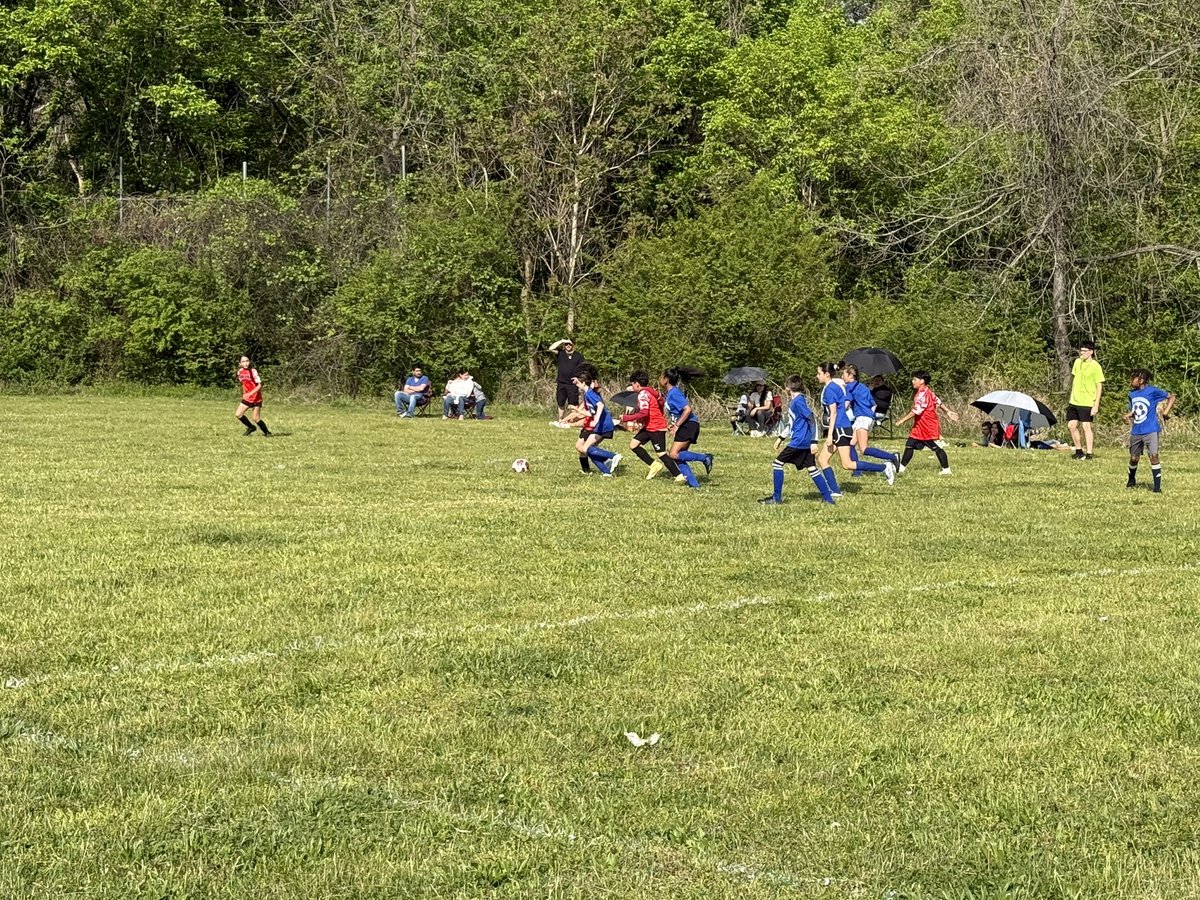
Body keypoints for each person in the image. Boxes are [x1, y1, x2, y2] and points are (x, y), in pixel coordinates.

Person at [815, 361, 894, 497]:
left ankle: (884, 467)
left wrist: (829, 435)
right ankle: (835, 491)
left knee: (848, 464)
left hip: (840, 428)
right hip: (840, 427)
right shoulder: (836, 384)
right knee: (822, 459)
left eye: (819, 373)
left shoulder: (830, 389)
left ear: (827, 374)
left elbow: (834, 413)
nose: (817, 376)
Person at [758, 375, 836, 505]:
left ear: (788, 388)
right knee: (812, 468)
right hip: (803, 441)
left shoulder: (797, 402)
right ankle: (828, 499)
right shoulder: (799, 400)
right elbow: (793, 423)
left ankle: (776, 498)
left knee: (777, 464)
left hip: (799, 442)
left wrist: (814, 442)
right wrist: (781, 438)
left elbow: (812, 419)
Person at [894, 370, 960, 474]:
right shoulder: (927, 391)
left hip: (926, 426)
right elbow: (938, 401)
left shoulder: (922, 394)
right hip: (920, 425)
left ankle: (946, 470)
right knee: (909, 444)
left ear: (922, 381)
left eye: (915, 379)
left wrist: (901, 420)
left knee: (936, 448)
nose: (912, 381)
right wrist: (948, 411)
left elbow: (916, 411)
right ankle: (901, 468)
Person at [619, 370, 678, 480]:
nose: (632, 387)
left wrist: (626, 418)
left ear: (637, 384)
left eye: (632, 384)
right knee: (634, 444)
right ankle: (654, 465)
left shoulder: (643, 394)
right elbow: (656, 407)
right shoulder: (652, 392)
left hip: (656, 427)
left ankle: (678, 475)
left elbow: (644, 412)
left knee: (661, 454)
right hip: (649, 426)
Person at [1124, 368, 1175, 492]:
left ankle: (1157, 487)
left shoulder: (1153, 391)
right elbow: (1135, 410)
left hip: (1151, 429)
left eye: (1133, 378)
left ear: (1141, 380)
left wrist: (1166, 411)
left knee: (1154, 456)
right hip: (1136, 430)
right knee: (1134, 458)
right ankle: (1131, 478)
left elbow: (1171, 397)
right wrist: (1127, 415)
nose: (1131, 380)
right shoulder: (1132, 394)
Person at [661, 367, 713, 489]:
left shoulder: (674, 392)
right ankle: (694, 485)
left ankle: (705, 457)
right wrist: (674, 424)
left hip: (689, 425)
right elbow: (678, 412)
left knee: (673, 454)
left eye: (661, 376)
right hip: (687, 424)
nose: (659, 378)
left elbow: (688, 409)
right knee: (680, 456)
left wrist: (677, 426)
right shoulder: (671, 393)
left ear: (666, 379)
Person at [844, 364, 901, 471]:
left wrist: (835, 413)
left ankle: (892, 458)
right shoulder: (863, 387)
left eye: (844, 374)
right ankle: (857, 472)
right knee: (851, 444)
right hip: (866, 417)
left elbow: (846, 404)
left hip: (862, 418)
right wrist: (870, 415)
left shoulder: (850, 387)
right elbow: (874, 404)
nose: (842, 377)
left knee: (863, 449)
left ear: (850, 375)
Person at [573, 364, 621, 476]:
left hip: (603, 424)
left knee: (586, 448)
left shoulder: (589, 393)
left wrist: (596, 420)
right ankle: (606, 472)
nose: (577, 385)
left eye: (578, 383)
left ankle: (613, 456)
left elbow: (600, 405)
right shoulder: (587, 394)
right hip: (601, 424)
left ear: (583, 382)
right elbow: (591, 412)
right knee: (587, 449)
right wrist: (578, 411)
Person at [1067, 340, 1104, 460]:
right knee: (1071, 425)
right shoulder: (1077, 362)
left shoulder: (1096, 366)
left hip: (1087, 401)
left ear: (1091, 352)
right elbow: (1074, 378)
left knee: (1086, 426)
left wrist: (1096, 404)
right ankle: (1078, 451)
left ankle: (1089, 453)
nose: (1082, 353)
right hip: (1074, 400)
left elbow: (1099, 386)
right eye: (1081, 350)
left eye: (1084, 351)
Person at [546, 339, 586, 427]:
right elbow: (550, 348)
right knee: (561, 402)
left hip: (572, 384)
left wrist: (579, 379)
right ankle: (560, 420)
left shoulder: (578, 356)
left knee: (573, 404)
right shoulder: (561, 353)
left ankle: (572, 422)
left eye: (570, 344)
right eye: (566, 344)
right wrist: (562, 341)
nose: (568, 345)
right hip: (561, 383)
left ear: (573, 345)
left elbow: (584, 368)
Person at [235, 355, 271, 436]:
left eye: (247, 361)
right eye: (243, 361)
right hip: (247, 398)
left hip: (256, 398)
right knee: (238, 414)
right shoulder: (239, 372)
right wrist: (245, 394)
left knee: (256, 418)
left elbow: (259, 385)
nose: (246, 363)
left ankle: (267, 433)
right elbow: (243, 384)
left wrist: (250, 393)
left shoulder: (253, 371)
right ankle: (251, 427)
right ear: (240, 363)